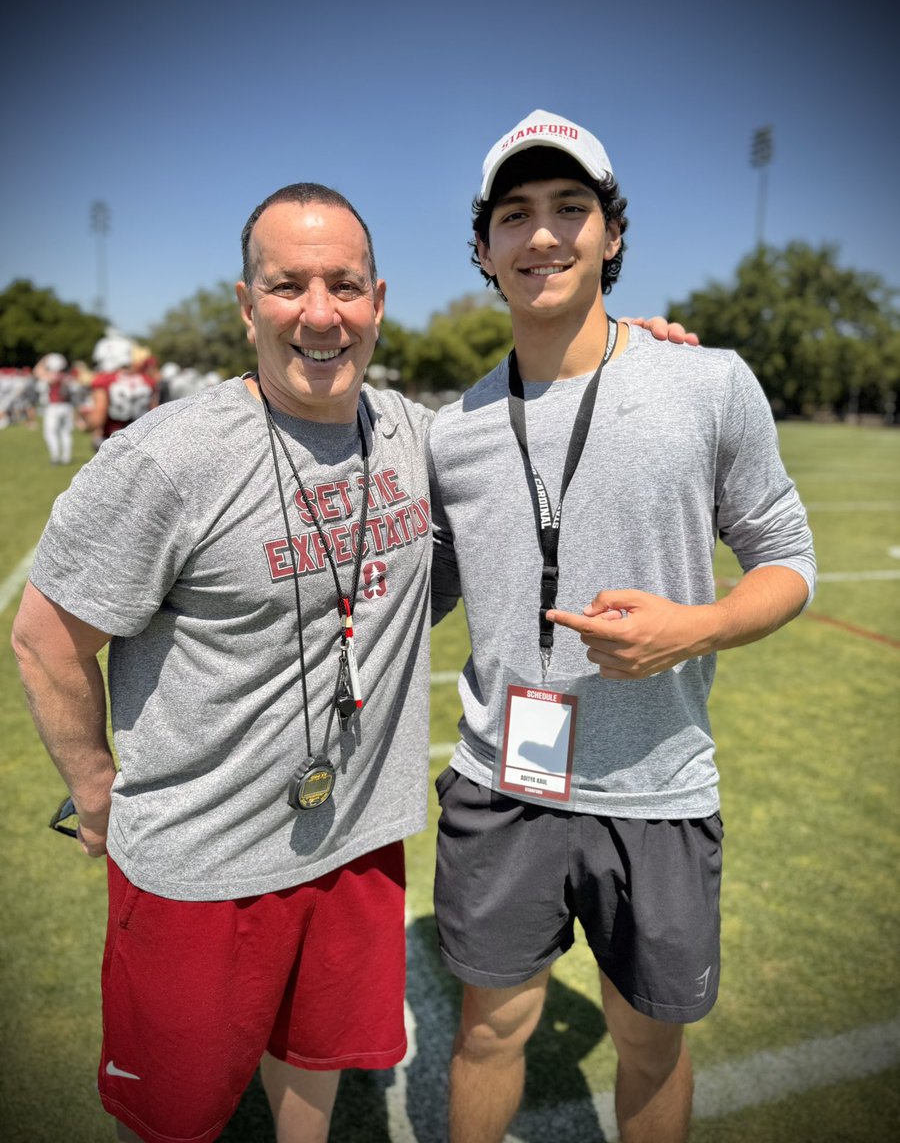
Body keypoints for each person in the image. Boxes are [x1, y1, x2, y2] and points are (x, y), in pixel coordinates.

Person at [11, 183, 435, 1143]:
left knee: (312, 1087)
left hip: (357, 839)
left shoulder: (412, 434)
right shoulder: (168, 458)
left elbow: (531, 417)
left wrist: (625, 350)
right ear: (247, 305)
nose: (320, 314)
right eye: (288, 285)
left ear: (378, 300)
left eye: (345, 285)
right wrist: (96, 792)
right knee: (175, 1118)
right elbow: (44, 636)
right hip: (200, 871)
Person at [426, 109, 816, 1143]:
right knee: (486, 1035)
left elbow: (791, 564)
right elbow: (418, 593)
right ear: (483, 247)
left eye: (569, 209)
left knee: (649, 1045)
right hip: (503, 784)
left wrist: (698, 628)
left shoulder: (708, 384)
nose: (541, 235)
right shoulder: (450, 431)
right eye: (514, 215)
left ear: (609, 232)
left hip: (659, 788)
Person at [34, 353, 79, 464]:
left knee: (50, 433)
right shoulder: (68, 377)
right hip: (67, 407)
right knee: (65, 433)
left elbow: (36, 372)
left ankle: (55, 456)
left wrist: (44, 359)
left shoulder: (51, 376)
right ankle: (66, 457)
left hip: (54, 407)